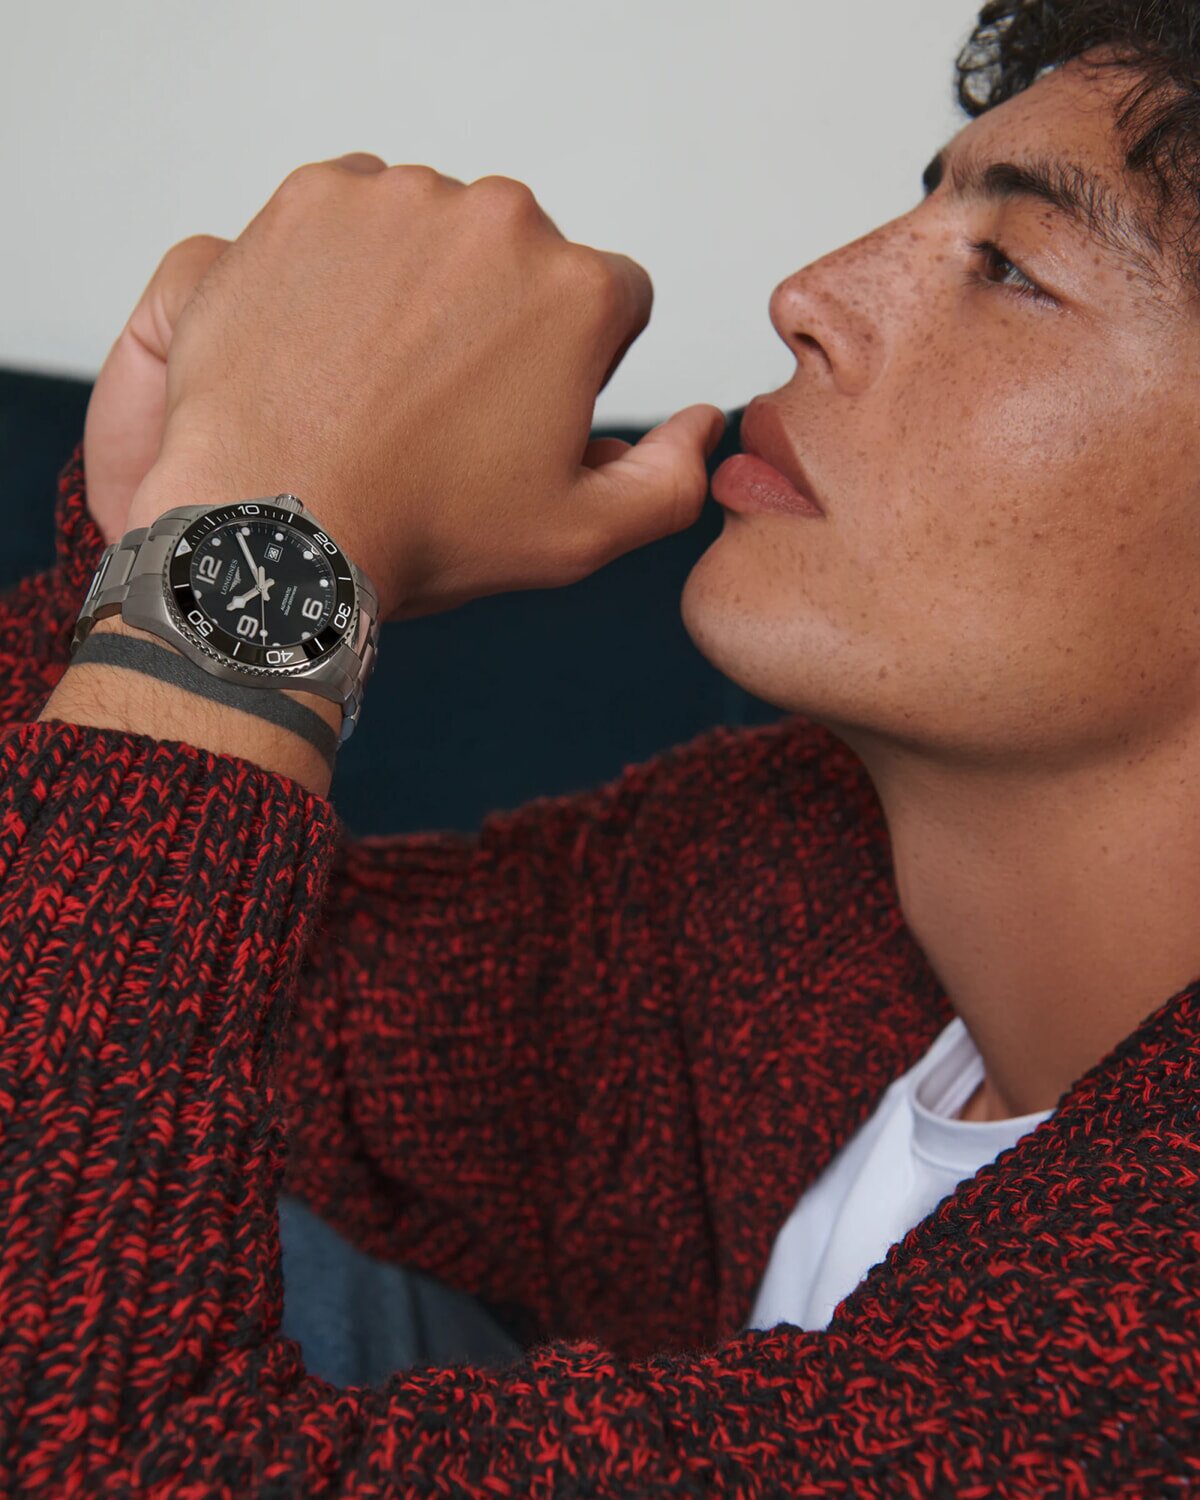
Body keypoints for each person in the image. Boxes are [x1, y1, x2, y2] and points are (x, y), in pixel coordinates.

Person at [2, 0, 1197, 1491]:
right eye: (921, 207)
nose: (806, 293)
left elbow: (80, 1453)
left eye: (1012, 265)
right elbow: (119, 1040)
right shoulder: (782, 874)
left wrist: (256, 573)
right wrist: (150, 551)